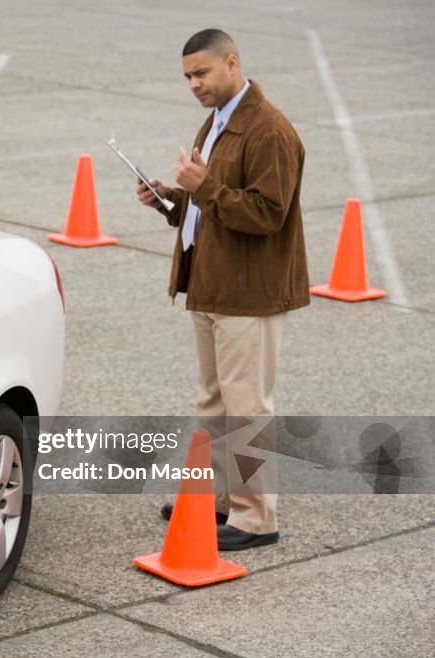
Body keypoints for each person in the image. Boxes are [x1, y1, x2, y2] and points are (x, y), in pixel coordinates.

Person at [136, 29, 309, 550]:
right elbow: (211, 208)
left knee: (247, 406)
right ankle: (214, 500)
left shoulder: (269, 131)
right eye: (188, 76)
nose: (194, 84)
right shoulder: (217, 122)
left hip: (248, 292)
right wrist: (169, 200)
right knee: (214, 401)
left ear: (232, 63)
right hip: (210, 285)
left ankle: (256, 517)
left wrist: (202, 187)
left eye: (202, 73)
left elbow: (267, 214)